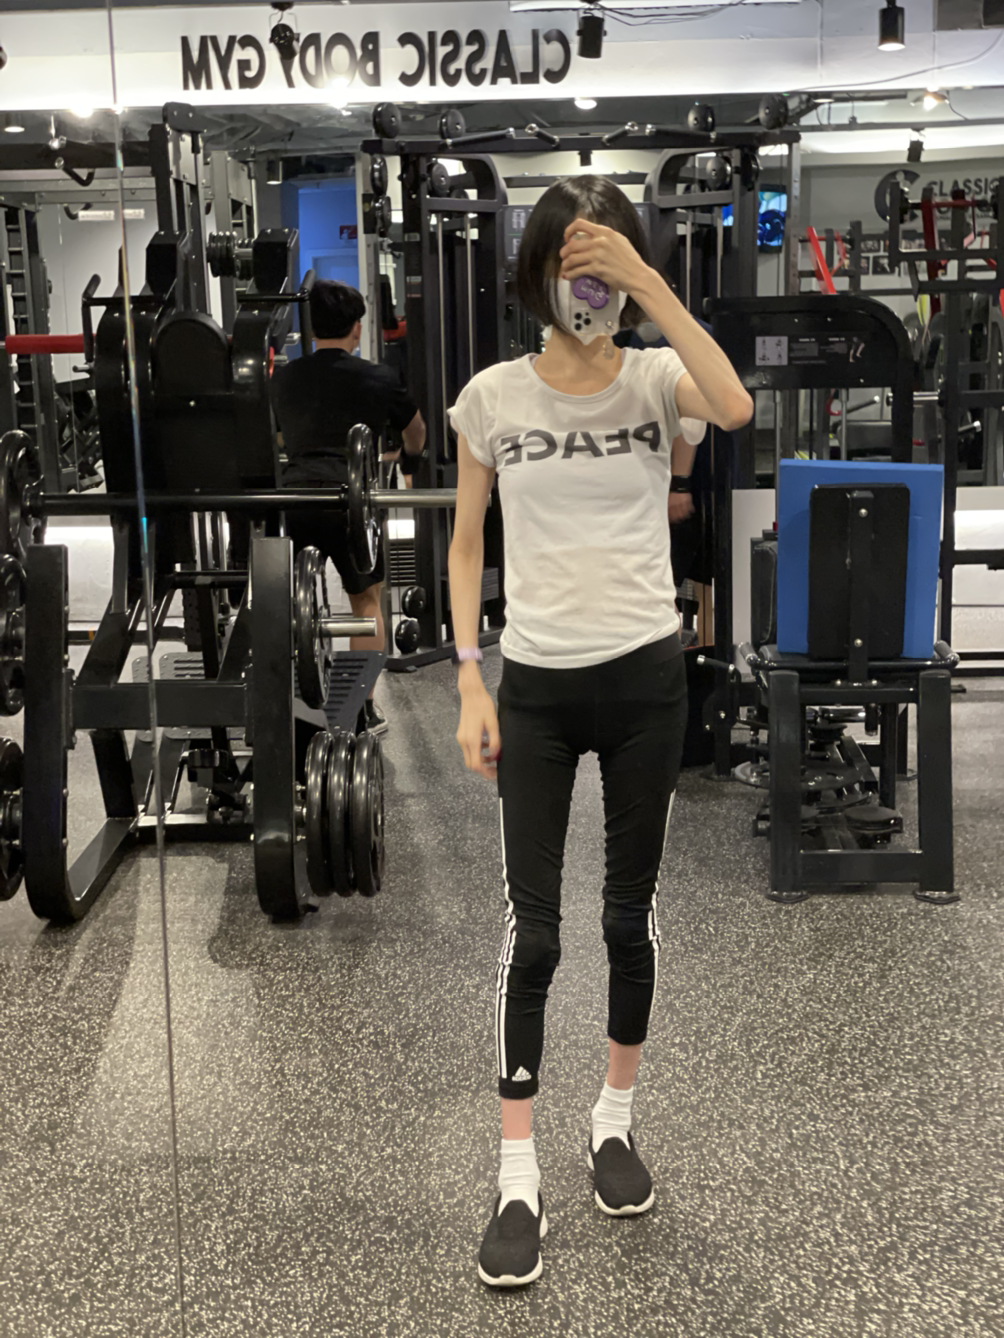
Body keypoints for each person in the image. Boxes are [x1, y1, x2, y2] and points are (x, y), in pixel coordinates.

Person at [447, 177, 752, 1288]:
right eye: (573, 270)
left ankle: (613, 1121)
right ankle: (515, 1171)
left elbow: (734, 409)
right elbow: (467, 543)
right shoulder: (490, 397)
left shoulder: (660, 378)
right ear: (536, 277)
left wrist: (646, 283)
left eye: (605, 269)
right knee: (533, 936)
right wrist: (469, 679)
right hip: (532, 687)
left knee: (629, 921)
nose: (590, 292)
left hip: (642, 685)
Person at [272, 280, 427, 733]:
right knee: (366, 602)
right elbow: (416, 432)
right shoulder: (378, 377)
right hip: (351, 502)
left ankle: (289, 704)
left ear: (311, 329)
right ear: (357, 328)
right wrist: (409, 460)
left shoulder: (283, 379)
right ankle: (362, 708)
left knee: (286, 603)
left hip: (295, 498)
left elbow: (275, 436)